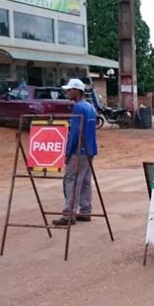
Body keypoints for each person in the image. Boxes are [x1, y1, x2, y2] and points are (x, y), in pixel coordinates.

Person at [52, 78, 98, 226]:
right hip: (90, 149)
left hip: (79, 150)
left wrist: (68, 151)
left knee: (71, 180)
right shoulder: (90, 107)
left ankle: (68, 214)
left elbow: (75, 132)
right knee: (85, 180)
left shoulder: (78, 108)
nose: (67, 92)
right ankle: (85, 210)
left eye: (69, 90)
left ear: (77, 91)